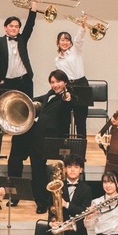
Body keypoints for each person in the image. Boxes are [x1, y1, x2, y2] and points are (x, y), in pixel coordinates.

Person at [24, 70, 74, 214]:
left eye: (58, 82)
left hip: (54, 139)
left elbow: (67, 105)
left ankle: (54, 201)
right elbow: (42, 99)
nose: (55, 85)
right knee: (37, 170)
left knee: (46, 170)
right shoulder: (50, 93)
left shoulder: (66, 97)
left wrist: (68, 99)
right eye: (52, 82)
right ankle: (41, 202)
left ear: (65, 82)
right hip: (39, 137)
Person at [0, 0, 38, 100]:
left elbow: (30, 25)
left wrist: (33, 9)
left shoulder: (22, 39)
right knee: (4, 108)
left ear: (19, 29)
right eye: (11, 26)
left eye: (17, 27)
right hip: (6, 83)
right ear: (5, 28)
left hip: (24, 81)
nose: (14, 28)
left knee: (26, 108)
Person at [55, 16, 91, 137]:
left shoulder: (76, 51)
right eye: (62, 40)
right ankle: (64, 144)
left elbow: (79, 39)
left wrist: (82, 26)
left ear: (70, 43)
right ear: (58, 43)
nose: (64, 42)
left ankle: (81, 146)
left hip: (81, 84)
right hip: (67, 87)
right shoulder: (57, 60)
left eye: (67, 40)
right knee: (64, 118)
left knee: (81, 120)